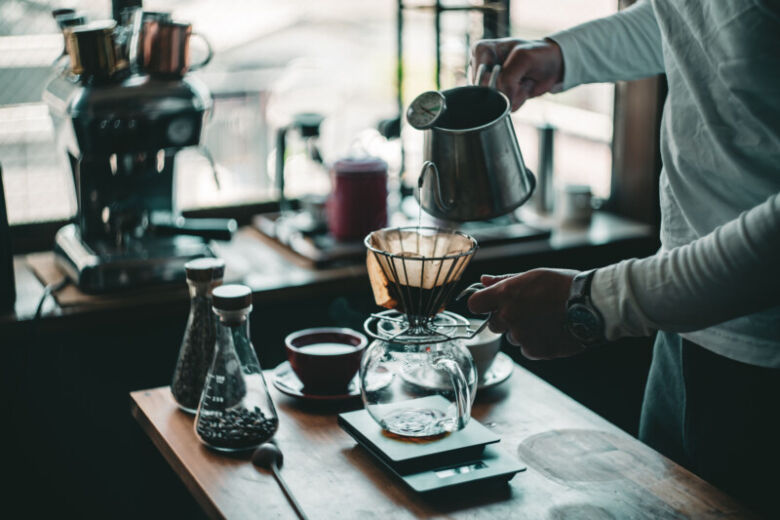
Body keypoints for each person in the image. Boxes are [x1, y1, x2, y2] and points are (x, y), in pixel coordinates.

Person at [467, 0, 779, 515]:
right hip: (680, 318)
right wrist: (564, 53)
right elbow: (695, 20)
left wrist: (598, 303)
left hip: (764, 358)